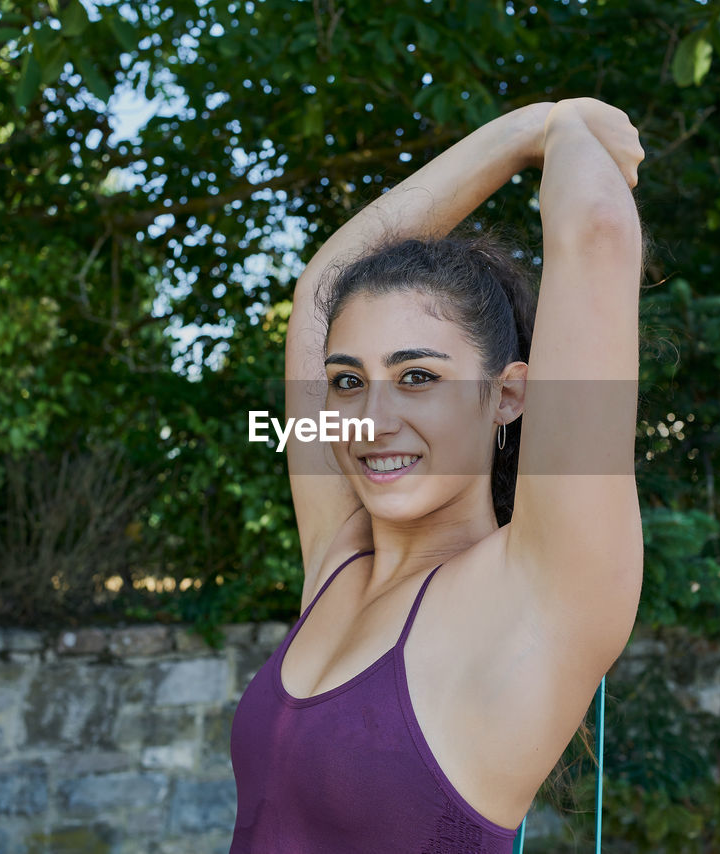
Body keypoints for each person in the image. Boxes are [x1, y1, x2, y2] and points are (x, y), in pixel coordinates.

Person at [228, 97, 646, 853]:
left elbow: (599, 231)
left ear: (508, 395)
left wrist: (568, 134)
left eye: (418, 377)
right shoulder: (340, 553)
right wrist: (521, 131)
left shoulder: (539, 590)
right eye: (349, 382)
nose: (373, 420)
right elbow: (320, 285)